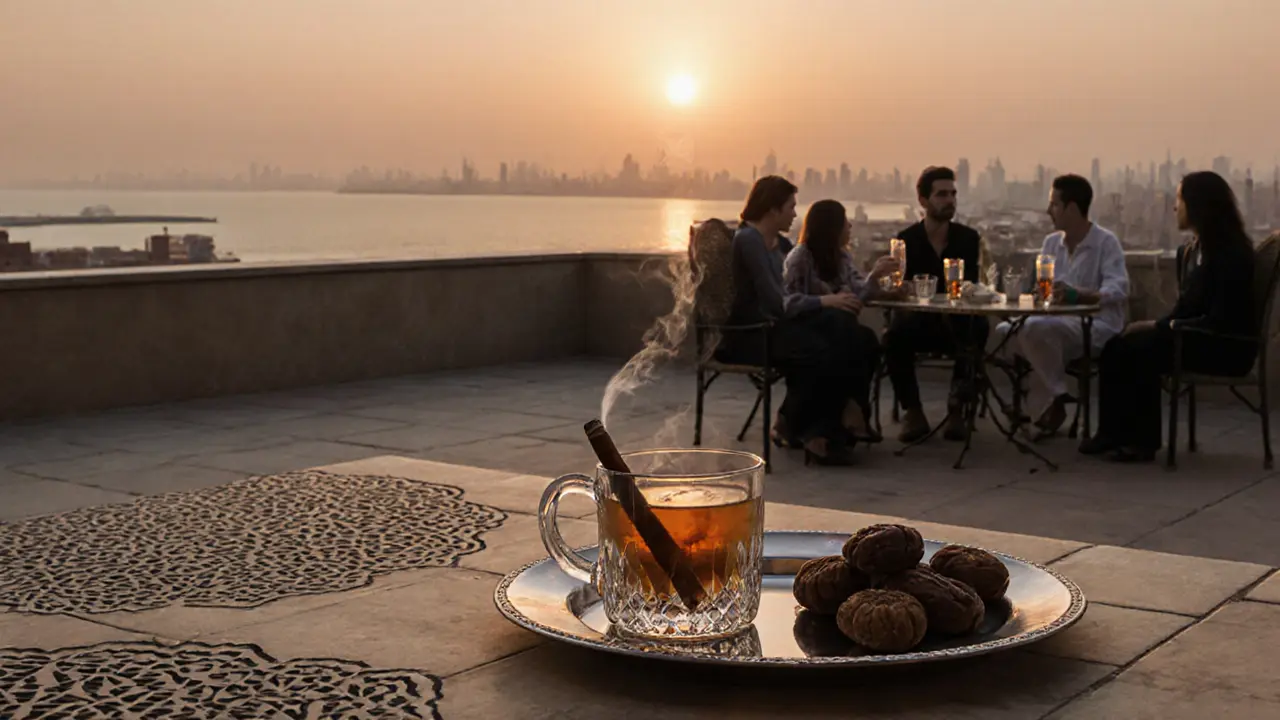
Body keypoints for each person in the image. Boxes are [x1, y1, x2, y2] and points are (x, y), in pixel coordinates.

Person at [1082, 171, 1257, 462]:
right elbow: (1186, 308)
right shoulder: (1196, 250)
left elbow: (1221, 317)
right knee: (1116, 347)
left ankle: (1143, 442)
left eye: (1180, 199)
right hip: (1193, 336)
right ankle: (1112, 432)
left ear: (1198, 205)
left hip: (1224, 345)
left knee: (1142, 351)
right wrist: (1161, 325)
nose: (1175, 207)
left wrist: (1162, 327)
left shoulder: (1230, 254)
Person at [718, 175, 866, 465]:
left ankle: (818, 424)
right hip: (751, 335)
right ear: (773, 209)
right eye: (790, 207)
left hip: (778, 329)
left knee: (848, 331)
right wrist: (824, 300)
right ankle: (813, 428)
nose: (795, 214)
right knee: (824, 348)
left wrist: (830, 294)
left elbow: (799, 290)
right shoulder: (749, 240)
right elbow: (777, 301)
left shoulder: (781, 244)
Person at [994, 174, 1129, 437]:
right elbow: (1041, 288)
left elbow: (1119, 289)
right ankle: (1057, 395)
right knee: (1003, 332)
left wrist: (1079, 296)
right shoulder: (1051, 243)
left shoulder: (1105, 242)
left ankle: (1042, 406)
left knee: (1033, 330)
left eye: (1054, 204)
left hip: (1096, 325)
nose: (1049, 211)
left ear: (1072, 208)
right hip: (1053, 324)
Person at [882, 166, 987, 442]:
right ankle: (913, 412)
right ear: (924, 201)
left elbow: (971, 284)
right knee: (893, 336)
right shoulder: (906, 240)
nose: (949, 200)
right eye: (941, 194)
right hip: (919, 323)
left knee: (978, 328)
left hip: (957, 321)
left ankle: (957, 411)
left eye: (952, 194)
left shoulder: (967, 238)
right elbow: (897, 284)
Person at [782, 199, 898, 445]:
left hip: (838, 329)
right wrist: (826, 301)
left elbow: (857, 295)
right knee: (844, 327)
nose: (850, 227)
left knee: (866, 340)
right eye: (845, 222)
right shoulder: (800, 258)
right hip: (806, 327)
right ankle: (851, 411)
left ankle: (851, 408)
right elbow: (788, 303)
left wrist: (876, 277)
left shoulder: (841, 257)